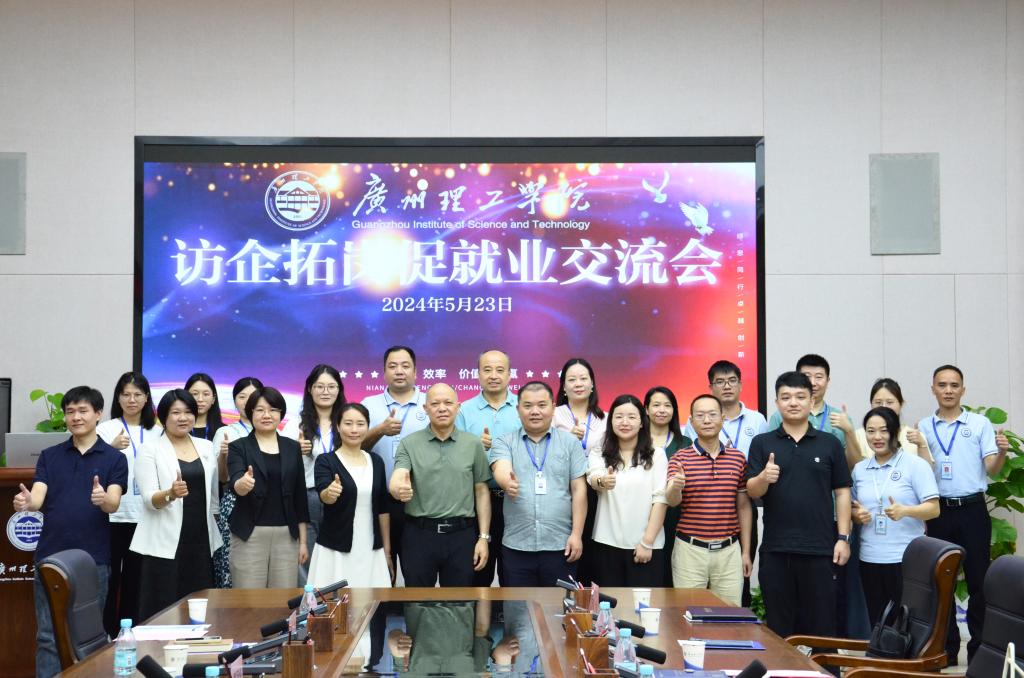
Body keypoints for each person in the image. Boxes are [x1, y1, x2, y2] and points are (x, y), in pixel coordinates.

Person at [13, 386, 127, 678]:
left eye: (83, 410)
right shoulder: (50, 456)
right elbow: (37, 497)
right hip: (50, 557)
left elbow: (113, 503)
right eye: (70, 411)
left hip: (93, 560)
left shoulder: (114, 458)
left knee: (89, 636)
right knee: (47, 636)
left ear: (98, 414)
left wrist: (103, 499)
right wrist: (27, 503)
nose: (76, 417)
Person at [746, 371, 851, 641]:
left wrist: (843, 538)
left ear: (811, 400)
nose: (793, 402)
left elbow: (842, 492)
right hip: (776, 550)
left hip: (820, 550)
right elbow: (752, 491)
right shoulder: (762, 443)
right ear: (777, 402)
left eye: (800, 396)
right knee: (779, 630)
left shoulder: (829, 443)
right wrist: (763, 477)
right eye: (786, 397)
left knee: (823, 628)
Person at [917, 364, 1010, 664]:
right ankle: (946, 648)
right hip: (939, 511)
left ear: (963, 390)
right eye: (942, 385)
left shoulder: (979, 424)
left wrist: (1002, 452)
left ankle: (979, 650)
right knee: (941, 582)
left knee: (978, 581)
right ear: (933, 389)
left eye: (954, 385)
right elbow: (922, 471)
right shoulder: (923, 426)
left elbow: (992, 469)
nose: (948, 390)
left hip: (972, 510)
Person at [130, 390, 222, 620]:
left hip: (201, 540)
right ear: (163, 416)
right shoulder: (150, 449)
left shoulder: (206, 446)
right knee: (164, 609)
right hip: (164, 543)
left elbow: (213, 497)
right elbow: (149, 499)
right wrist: (170, 494)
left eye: (188, 412)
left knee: (200, 608)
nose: (183, 418)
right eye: (176, 413)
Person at [682, 361, 767, 606]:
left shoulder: (757, 420)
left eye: (731, 381)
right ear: (711, 387)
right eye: (719, 382)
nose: (726, 386)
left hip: (743, 499)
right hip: (704, 502)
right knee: (697, 586)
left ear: (740, 384)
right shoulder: (699, 420)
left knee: (740, 570)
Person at [389, 383, 491, 587]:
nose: (442, 408)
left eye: (448, 403)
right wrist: (398, 489)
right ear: (425, 408)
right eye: (435, 404)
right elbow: (398, 477)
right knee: (417, 599)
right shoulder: (409, 443)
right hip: (419, 535)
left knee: (459, 601)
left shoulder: (473, 444)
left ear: (458, 407)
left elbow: (481, 492)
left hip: (462, 536)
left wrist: (483, 537)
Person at [489, 381, 587, 586]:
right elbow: (501, 467)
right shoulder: (505, 442)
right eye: (528, 406)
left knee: (558, 605)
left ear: (553, 407)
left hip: (561, 545)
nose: (535, 411)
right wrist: (507, 482)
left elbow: (579, 490)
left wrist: (577, 535)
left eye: (542, 405)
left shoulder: (570, 443)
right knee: (517, 605)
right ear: (518, 409)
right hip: (517, 546)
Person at [850, 406, 939, 625]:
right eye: (871, 431)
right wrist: (856, 515)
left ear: (895, 432)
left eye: (884, 430)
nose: (877, 437)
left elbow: (934, 509)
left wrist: (905, 510)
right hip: (870, 557)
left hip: (906, 558)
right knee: (878, 622)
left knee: (907, 623)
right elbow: (851, 508)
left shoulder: (915, 465)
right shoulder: (860, 469)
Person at [666, 394, 752, 606]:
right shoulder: (680, 458)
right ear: (691, 421)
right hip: (690, 551)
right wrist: (676, 487)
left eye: (712, 414)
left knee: (729, 615)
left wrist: (746, 552)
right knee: (687, 615)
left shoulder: (737, 458)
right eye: (700, 415)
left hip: (729, 551)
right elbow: (672, 501)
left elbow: (743, 506)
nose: (706, 420)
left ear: (722, 418)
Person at [96, 371, 161, 637]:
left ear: (146, 398)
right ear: (118, 398)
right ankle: (107, 634)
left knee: (137, 579)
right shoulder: (105, 429)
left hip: (146, 515)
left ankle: (132, 632)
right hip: (113, 515)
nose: (131, 400)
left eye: (137, 394)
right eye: (126, 394)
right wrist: (110, 448)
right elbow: (92, 468)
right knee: (110, 578)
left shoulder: (158, 431)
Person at [226, 386, 310, 588]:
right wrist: (243, 484)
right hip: (249, 534)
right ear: (250, 413)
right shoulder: (238, 447)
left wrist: (303, 542)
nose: (266, 415)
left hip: (286, 535)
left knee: (282, 599)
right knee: (248, 599)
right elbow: (235, 483)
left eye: (273, 410)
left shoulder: (292, 447)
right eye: (260, 410)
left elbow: (299, 496)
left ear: (281, 414)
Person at [307, 403, 393, 588]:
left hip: (371, 547)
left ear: (367, 427)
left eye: (360, 424)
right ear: (338, 427)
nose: (354, 429)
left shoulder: (376, 461)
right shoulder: (326, 461)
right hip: (336, 549)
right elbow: (324, 495)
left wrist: (387, 551)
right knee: (336, 602)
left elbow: (383, 509)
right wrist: (330, 493)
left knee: (371, 600)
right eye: (348, 423)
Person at [587, 394, 668, 587]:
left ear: (641, 422)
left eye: (632, 417)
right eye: (618, 416)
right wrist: (603, 481)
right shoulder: (599, 452)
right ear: (611, 421)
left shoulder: (657, 455)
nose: (625, 422)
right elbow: (594, 477)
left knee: (643, 604)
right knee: (608, 603)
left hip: (645, 546)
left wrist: (647, 543)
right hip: (606, 543)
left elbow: (660, 500)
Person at [362, 346, 429, 576]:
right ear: (383, 372)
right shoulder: (368, 405)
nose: (399, 371)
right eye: (392, 366)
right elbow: (353, 447)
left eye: (405, 366)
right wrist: (380, 430)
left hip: (419, 501)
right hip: (378, 501)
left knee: (417, 572)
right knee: (381, 572)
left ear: (416, 371)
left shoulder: (430, 403)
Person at [455, 349, 520, 587]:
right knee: (477, 573)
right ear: (478, 374)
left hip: (516, 500)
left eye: (500, 370)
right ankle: (477, 612)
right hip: (476, 500)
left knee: (514, 574)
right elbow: (455, 455)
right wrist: (473, 445)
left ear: (510, 375)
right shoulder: (464, 410)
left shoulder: (523, 407)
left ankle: (512, 611)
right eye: (487, 370)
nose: (493, 375)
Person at [283, 364, 345, 585]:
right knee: (306, 557)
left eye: (331, 386)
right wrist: (294, 450)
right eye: (319, 386)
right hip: (307, 497)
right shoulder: (295, 424)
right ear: (310, 389)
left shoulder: (347, 422)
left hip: (341, 496)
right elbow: (282, 465)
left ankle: (338, 603)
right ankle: (307, 604)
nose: (325, 391)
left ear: (339, 389)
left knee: (338, 557)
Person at [553, 357, 606, 584]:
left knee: (591, 554)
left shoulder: (605, 418)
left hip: (596, 492)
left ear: (592, 384)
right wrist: (566, 439)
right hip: (561, 490)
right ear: (563, 386)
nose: (578, 384)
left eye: (583, 378)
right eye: (572, 379)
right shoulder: (553, 415)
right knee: (564, 553)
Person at [210, 376, 263, 588]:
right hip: (235, 504)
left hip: (267, 504)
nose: (247, 401)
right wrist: (224, 455)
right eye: (242, 397)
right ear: (234, 401)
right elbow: (222, 478)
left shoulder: (274, 432)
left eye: (253, 396)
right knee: (233, 565)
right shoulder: (225, 432)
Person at [643, 386, 692, 587]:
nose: (662, 410)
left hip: (675, 514)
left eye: (667, 405)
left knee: (672, 572)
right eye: (656, 405)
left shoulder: (685, 442)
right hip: (643, 513)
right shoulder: (636, 440)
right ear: (646, 410)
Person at [852, 378, 933, 462]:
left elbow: (927, 469)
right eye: (878, 402)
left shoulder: (914, 436)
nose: (884, 407)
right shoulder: (858, 436)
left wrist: (921, 445)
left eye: (889, 402)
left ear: (901, 404)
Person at [185, 373, 225, 441]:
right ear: (185, 396)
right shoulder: (177, 429)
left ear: (213, 399)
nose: (200, 399)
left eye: (206, 394)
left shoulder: (224, 431)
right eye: (195, 394)